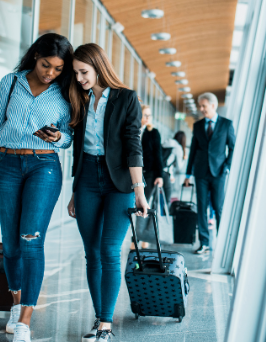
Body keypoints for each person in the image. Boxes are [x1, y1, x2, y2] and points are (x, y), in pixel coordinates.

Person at [0, 33, 74, 342]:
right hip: (8, 166)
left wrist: (58, 139)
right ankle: (15, 304)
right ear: (35, 55)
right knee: (11, 245)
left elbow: (70, 136)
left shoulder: (65, 90)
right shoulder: (11, 82)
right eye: (45, 65)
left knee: (31, 241)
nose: (49, 73)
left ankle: (25, 319)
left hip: (44, 166)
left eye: (57, 68)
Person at [67, 43, 148, 342]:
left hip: (120, 183)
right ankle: (100, 317)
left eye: (84, 72)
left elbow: (133, 146)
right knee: (91, 254)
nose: (79, 78)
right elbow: (77, 148)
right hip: (87, 178)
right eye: (75, 73)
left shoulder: (126, 98)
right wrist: (75, 190)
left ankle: (105, 324)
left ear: (99, 67)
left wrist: (139, 191)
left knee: (109, 251)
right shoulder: (78, 98)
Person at [184, 92, 236, 254]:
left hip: (219, 173)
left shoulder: (226, 125)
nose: (201, 109)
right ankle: (204, 243)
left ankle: (222, 243)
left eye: (204, 106)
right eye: (200, 106)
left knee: (218, 207)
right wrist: (188, 174)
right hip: (200, 173)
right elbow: (193, 149)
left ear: (213, 105)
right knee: (202, 208)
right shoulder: (198, 125)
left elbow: (233, 147)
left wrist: (227, 167)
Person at [135, 103, 164, 247]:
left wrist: (160, 175)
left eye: (149, 115)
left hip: (150, 175)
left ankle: (141, 238)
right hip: (134, 174)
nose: (147, 118)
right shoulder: (132, 131)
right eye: (145, 115)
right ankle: (137, 237)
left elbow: (158, 155)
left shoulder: (153, 133)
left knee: (144, 207)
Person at [162, 131, 187, 199]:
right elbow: (179, 167)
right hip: (167, 173)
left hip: (156, 171)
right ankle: (164, 209)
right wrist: (184, 159)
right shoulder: (178, 148)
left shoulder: (166, 142)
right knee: (167, 198)